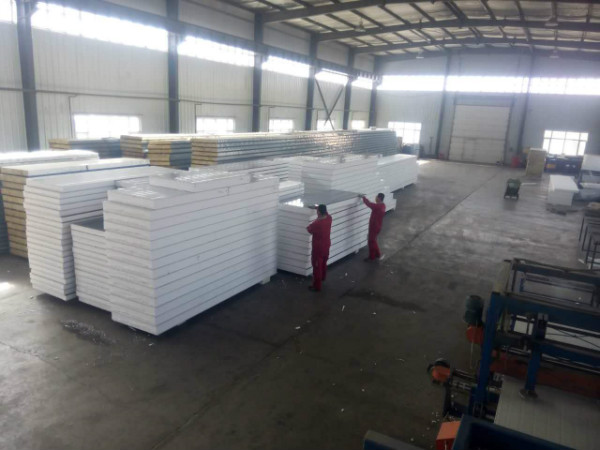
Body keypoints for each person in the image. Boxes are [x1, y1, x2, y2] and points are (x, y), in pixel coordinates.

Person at [306, 204, 332, 292]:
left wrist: (315, 220)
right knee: (324, 263)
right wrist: (316, 207)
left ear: (319, 213)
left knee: (317, 267)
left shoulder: (317, 223)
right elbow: (326, 213)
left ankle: (317, 286)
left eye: (317, 211)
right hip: (326, 246)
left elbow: (309, 229)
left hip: (318, 249)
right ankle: (323, 278)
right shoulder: (329, 218)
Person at [361, 193, 386, 261]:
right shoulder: (383, 206)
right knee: (373, 240)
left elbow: (369, 204)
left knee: (371, 241)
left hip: (374, 227)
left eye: (377, 197)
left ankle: (372, 256)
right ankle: (377, 255)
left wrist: (363, 197)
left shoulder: (377, 207)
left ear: (379, 198)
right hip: (378, 226)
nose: (376, 198)